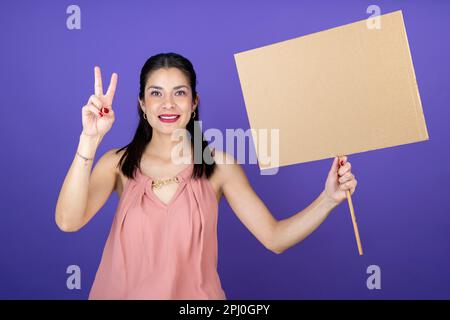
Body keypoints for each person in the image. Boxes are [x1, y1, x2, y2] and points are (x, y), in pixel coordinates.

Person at [55, 52, 357, 300]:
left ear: (194, 102)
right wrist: (89, 139)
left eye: (180, 93)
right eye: (156, 93)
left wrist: (328, 199)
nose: (168, 104)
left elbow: (274, 238)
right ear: (142, 104)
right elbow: (68, 221)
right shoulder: (116, 164)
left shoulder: (220, 167)